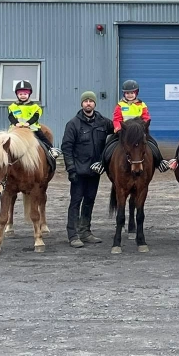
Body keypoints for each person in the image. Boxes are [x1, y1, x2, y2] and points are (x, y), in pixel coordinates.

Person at [61, 91, 111, 248]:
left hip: (94, 171)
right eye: (85, 101)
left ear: (95, 103)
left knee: (89, 200)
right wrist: (71, 169)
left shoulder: (103, 122)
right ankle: (73, 235)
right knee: (76, 202)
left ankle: (85, 232)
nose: (88, 103)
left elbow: (118, 130)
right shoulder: (73, 124)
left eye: (91, 101)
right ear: (82, 104)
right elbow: (66, 147)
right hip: (78, 171)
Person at [92, 79, 169, 174]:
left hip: (138, 132)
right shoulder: (120, 105)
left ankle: (160, 162)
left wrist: (143, 127)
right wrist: (118, 128)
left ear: (136, 93)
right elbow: (117, 119)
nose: (130, 95)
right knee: (109, 143)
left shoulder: (142, 105)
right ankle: (101, 163)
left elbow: (146, 117)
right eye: (127, 93)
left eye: (132, 93)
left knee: (152, 143)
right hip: (124, 132)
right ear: (124, 94)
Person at [7, 80, 59, 157]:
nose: (23, 96)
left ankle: (51, 149)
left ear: (29, 94)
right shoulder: (12, 106)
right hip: (16, 128)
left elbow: (35, 116)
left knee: (43, 137)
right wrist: (16, 123)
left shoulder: (35, 107)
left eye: (25, 94)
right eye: (20, 94)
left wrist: (28, 123)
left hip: (32, 127)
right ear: (17, 95)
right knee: (7, 139)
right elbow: (11, 116)